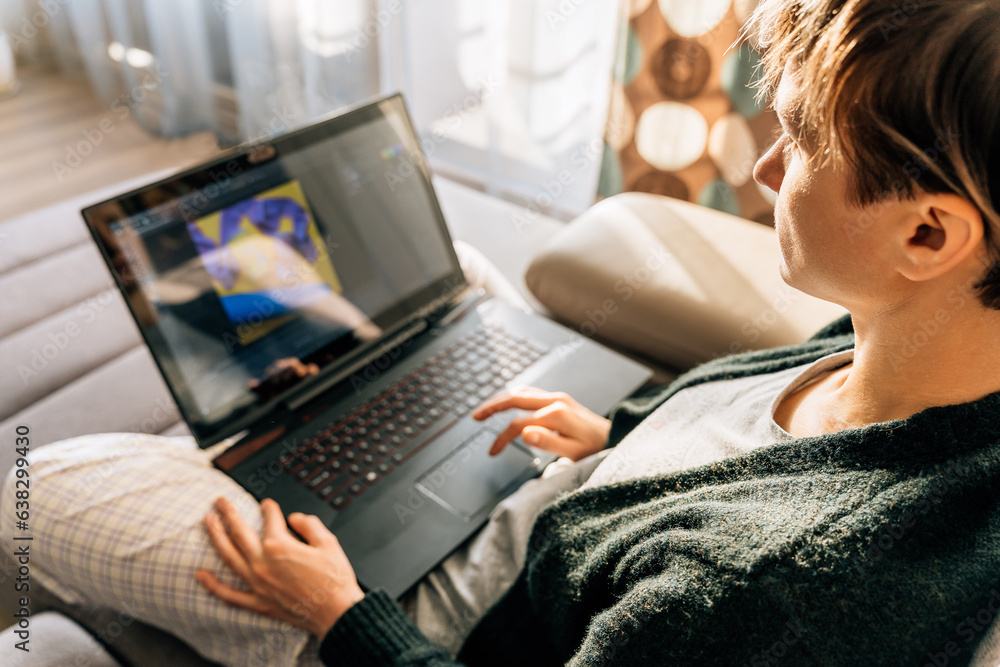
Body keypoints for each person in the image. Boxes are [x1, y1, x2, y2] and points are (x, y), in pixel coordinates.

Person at [5, 0, 1000, 664]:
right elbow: (745, 438)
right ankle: (272, 433)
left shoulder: (759, 593)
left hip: (423, 607)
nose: (767, 170)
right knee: (449, 289)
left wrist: (337, 612)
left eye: (800, 140)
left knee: (25, 490)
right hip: (559, 494)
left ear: (926, 231)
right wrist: (620, 443)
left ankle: (236, 449)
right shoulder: (916, 347)